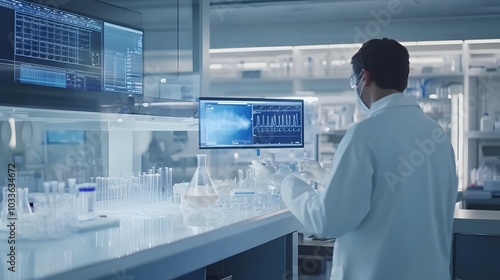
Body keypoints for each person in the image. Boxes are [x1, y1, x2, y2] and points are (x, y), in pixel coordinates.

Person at [252, 38, 458, 280]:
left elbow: (326, 220)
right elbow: (394, 195)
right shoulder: (437, 135)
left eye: (354, 80)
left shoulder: (364, 134)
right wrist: (327, 177)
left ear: (365, 77)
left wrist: (282, 180)